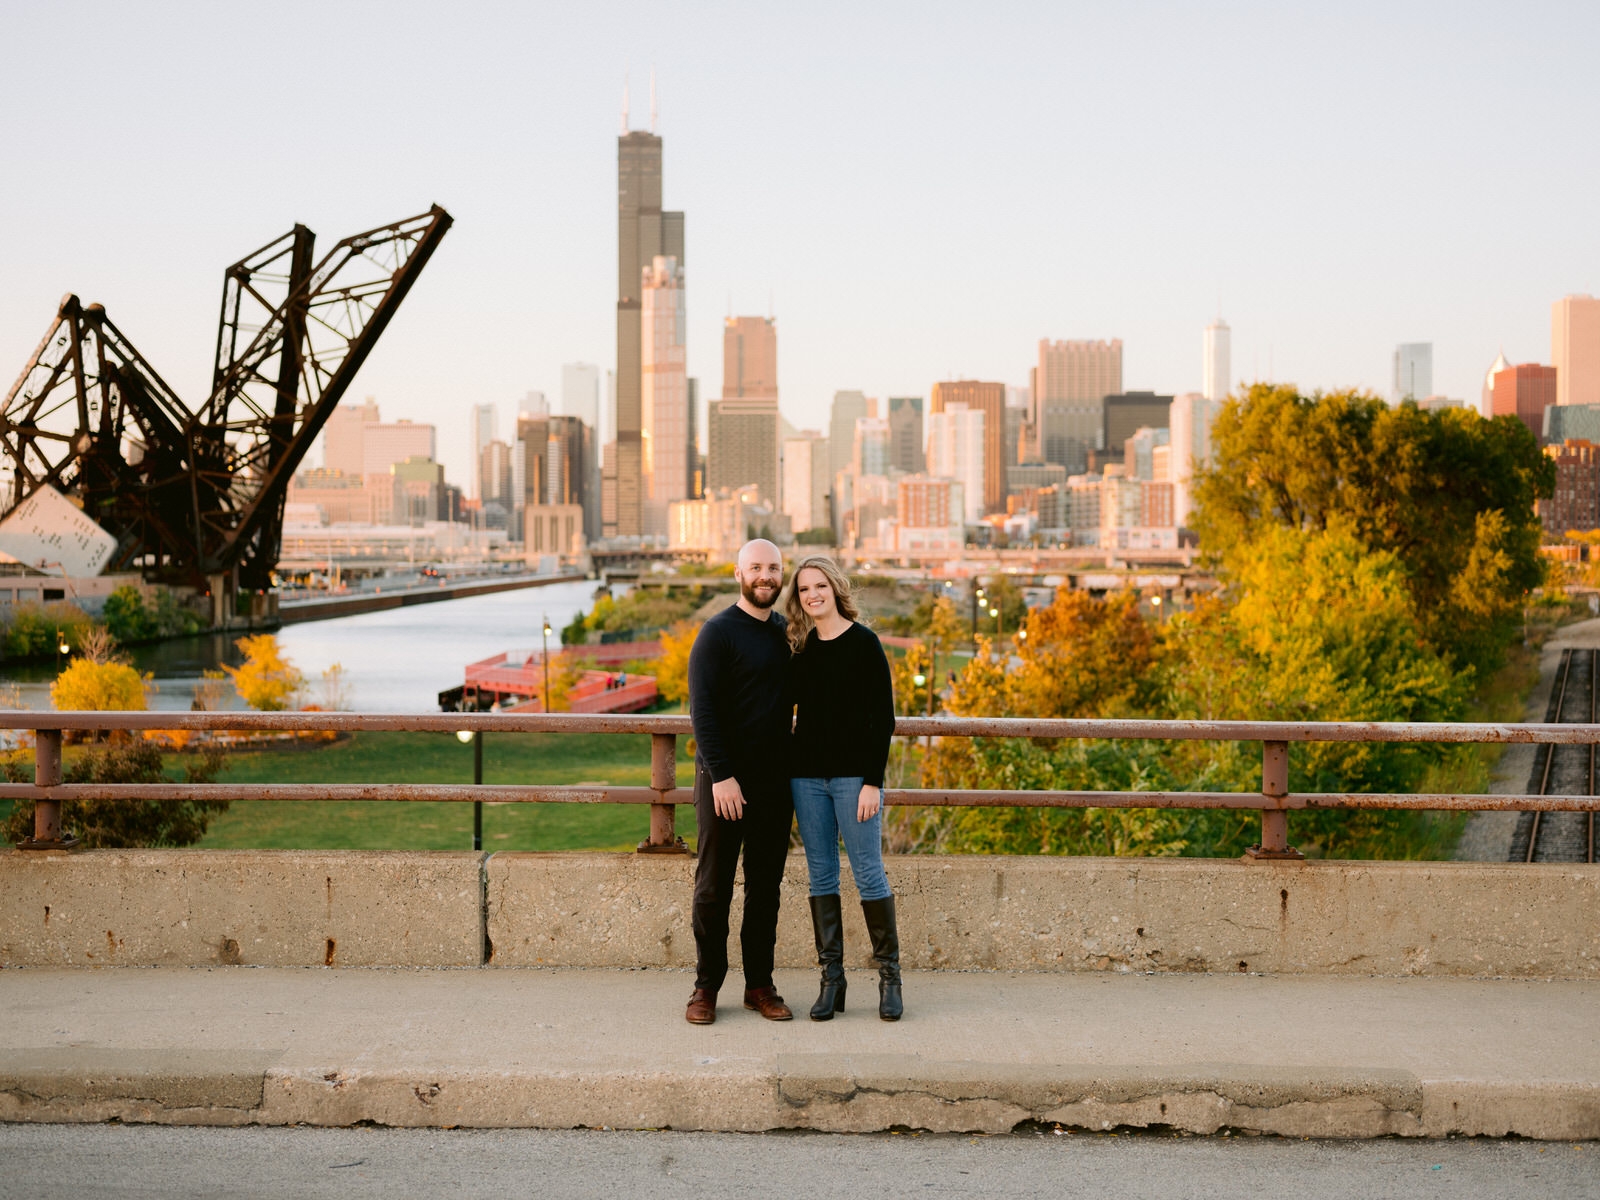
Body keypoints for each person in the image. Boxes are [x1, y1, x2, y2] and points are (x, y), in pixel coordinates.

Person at [784, 554, 902, 1021]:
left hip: (855, 780)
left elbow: (883, 720)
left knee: (868, 872)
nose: (812, 595)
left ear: (835, 589)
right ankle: (832, 981)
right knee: (820, 875)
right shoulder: (799, 649)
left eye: (820, 587)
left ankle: (889, 978)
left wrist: (873, 781)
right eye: (804, 589)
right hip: (806, 780)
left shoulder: (864, 644)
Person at [684, 539, 795, 1025]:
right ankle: (706, 986)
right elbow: (702, 714)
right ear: (739, 573)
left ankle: (759, 986)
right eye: (756, 567)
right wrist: (723, 777)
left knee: (765, 888)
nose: (765, 575)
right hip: (722, 782)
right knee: (713, 887)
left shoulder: (787, 634)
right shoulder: (716, 633)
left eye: (772, 567)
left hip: (775, 783)